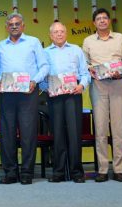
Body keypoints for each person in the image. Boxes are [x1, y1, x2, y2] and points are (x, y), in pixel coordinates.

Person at [0, 13, 49, 185]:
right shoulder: (1, 46)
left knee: (28, 133)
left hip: (28, 93)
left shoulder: (33, 42)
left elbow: (44, 66)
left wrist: (35, 81)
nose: (14, 26)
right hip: (7, 94)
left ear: (23, 26)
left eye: (17, 23)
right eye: (11, 24)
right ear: (6, 27)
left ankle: (26, 172)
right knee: (7, 133)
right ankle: (10, 172)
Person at [82, 8, 122, 182]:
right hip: (98, 86)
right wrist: (91, 71)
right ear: (94, 23)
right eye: (99, 18)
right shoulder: (88, 40)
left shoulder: (120, 38)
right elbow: (85, 63)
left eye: (105, 18)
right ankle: (103, 169)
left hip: (118, 84)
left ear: (109, 21)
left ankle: (119, 169)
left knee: (118, 129)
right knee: (100, 129)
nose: (102, 21)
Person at [43, 22, 90, 183]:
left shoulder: (76, 50)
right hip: (54, 96)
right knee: (57, 133)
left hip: (73, 94)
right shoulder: (44, 52)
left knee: (74, 133)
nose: (59, 34)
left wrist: (81, 85)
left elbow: (85, 73)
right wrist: (46, 87)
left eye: (62, 31)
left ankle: (77, 172)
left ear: (66, 33)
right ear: (51, 35)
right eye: (55, 32)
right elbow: (42, 77)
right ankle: (59, 172)